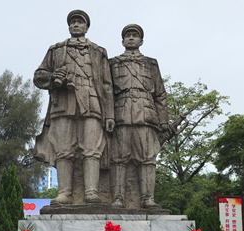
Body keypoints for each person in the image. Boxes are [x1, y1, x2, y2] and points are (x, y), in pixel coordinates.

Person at [33, 9, 115, 205]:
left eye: (80, 22)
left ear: (86, 27)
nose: (76, 25)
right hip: (64, 103)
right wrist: (53, 78)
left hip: (92, 103)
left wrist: (110, 114)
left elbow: (107, 85)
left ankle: (91, 192)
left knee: (92, 150)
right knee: (64, 150)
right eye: (73, 22)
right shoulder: (56, 50)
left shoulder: (98, 52)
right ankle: (65, 193)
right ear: (69, 26)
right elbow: (38, 76)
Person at [109, 24, 169, 208]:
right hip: (121, 114)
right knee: (119, 158)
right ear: (122, 41)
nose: (131, 38)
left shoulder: (151, 63)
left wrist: (163, 121)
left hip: (146, 115)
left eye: (135, 35)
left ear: (141, 41)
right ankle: (118, 198)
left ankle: (147, 198)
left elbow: (160, 94)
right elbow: (107, 92)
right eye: (128, 36)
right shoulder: (113, 63)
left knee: (147, 158)